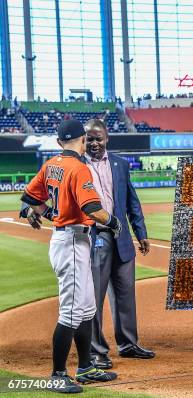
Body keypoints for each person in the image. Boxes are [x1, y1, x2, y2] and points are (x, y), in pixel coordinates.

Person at [20, 119, 120, 393]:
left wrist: (34, 211)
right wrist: (112, 222)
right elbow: (93, 209)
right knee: (72, 311)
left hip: (71, 241)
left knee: (86, 308)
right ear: (82, 140)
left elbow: (31, 198)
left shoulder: (51, 164)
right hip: (73, 243)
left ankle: (86, 367)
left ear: (59, 141)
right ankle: (57, 374)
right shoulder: (79, 168)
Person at [84, 119, 155, 370]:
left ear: (107, 138)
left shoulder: (120, 164)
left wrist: (141, 232)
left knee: (125, 295)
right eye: (89, 139)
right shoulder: (76, 165)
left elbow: (131, 201)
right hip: (94, 238)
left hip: (121, 237)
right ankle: (96, 351)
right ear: (83, 140)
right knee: (93, 298)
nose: (94, 143)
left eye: (98, 138)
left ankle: (128, 344)